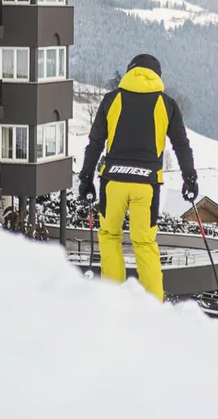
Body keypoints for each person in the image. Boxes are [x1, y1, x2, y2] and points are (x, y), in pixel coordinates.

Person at [78, 54, 198, 302]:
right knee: (144, 242)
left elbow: (96, 142)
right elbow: (181, 145)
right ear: (157, 75)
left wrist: (86, 177)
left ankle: (112, 298)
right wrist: (189, 178)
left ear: (129, 72)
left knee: (109, 235)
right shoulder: (167, 104)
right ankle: (153, 304)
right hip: (147, 184)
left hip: (113, 182)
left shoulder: (112, 100)